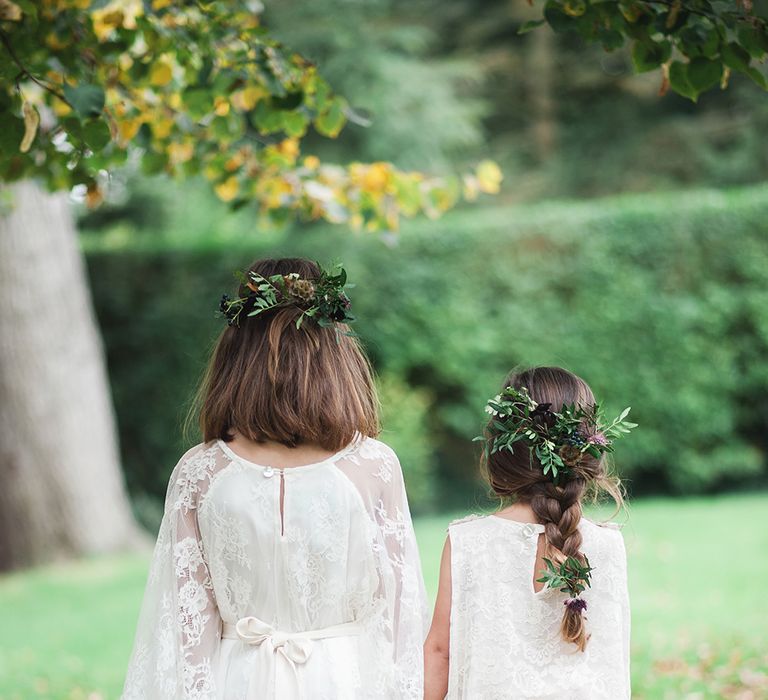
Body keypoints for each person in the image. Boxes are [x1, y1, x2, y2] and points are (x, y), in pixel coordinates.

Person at [122, 258, 428, 700]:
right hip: (347, 681)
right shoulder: (372, 465)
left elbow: (188, 623)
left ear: (235, 355)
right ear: (335, 354)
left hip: (236, 681)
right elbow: (400, 614)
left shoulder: (202, 471)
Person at [424, 366, 634, 700]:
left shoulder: (470, 543)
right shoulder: (608, 545)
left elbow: (439, 653)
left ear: (503, 452)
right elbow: (614, 661)